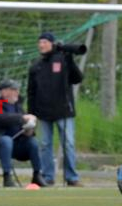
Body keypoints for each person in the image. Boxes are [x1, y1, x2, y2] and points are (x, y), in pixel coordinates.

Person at [28, 32, 84, 187]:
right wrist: (31, 113)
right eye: (40, 42)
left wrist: (69, 59)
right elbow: (31, 92)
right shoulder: (36, 66)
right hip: (43, 113)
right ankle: (48, 176)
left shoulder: (62, 60)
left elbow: (77, 78)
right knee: (45, 144)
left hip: (64, 111)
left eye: (45, 42)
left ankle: (71, 177)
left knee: (68, 144)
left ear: (52, 43)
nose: (41, 45)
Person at [0, 79, 47, 187]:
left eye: (17, 90)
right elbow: (3, 118)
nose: (17, 92)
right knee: (6, 140)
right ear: (4, 92)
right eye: (14, 89)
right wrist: (23, 117)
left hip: (16, 145)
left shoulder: (18, 106)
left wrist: (29, 130)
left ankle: (37, 175)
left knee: (32, 142)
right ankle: (7, 176)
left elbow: (22, 123)